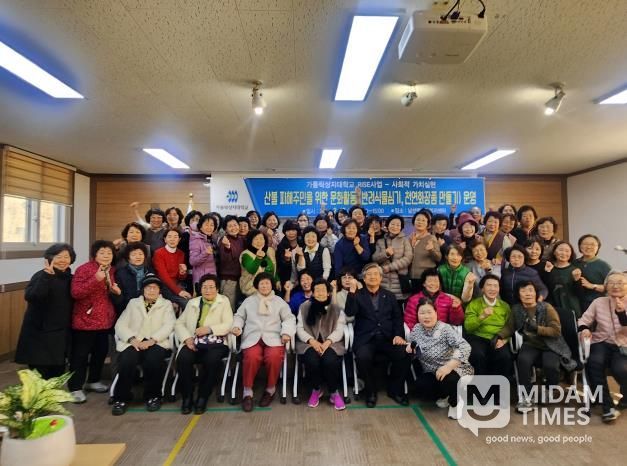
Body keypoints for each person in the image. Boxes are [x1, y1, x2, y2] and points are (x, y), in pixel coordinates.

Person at [498, 281, 576, 411]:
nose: (527, 293)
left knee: (551, 366)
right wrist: (499, 336)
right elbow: (509, 327)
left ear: (535, 293)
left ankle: (549, 389)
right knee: (522, 360)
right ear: (518, 294)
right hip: (531, 344)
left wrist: (537, 329)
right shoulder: (516, 309)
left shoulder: (546, 307)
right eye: (523, 291)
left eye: (530, 290)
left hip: (551, 344)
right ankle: (526, 397)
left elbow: (556, 331)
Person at [344, 263, 410, 407]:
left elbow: (397, 318)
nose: (372, 277)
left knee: (405, 352)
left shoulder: (390, 296)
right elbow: (349, 312)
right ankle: (370, 392)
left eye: (376, 274)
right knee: (362, 357)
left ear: (381, 278)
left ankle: (395, 390)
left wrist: (398, 335)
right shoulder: (358, 295)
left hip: (388, 338)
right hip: (366, 339)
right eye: (369, 274)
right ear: (364, 278)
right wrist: (352, 292)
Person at [111, 273, 175, 415]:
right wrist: (132, 339)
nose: (151, 290)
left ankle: (153, 396)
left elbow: (170, 324)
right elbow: (120, 324)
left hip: (156, 342)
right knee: (126, 360)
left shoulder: (166, 304)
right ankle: (121, 398)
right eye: (148, 287)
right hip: (135, 342)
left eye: (154, 287)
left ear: (159, 290)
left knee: (153, 360)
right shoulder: (133, 303)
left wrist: (152, 340)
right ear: (143, 289)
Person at [232, 272, 296, 412]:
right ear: (257, 286)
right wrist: (237, 326)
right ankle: (247, 392)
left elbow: (289, 318)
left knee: (273, 357)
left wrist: (286, 332)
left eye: (267, 283)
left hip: (274, 338)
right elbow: (239, 316)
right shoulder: (249, 301)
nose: (265, 286)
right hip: (252, 337)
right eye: (262, 283)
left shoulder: (279, 301)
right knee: (251, 356)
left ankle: (270, 389)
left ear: (272, 285)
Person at [68, 240, 121, 403]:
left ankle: (93, 380)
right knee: (80, 355)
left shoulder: (112, 270)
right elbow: (76, 293)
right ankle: (75, 387)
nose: (106, 256)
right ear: (94, 254)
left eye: (109, 253)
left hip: (105, 320)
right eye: (102, 253)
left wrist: (116, 292)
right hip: (85, 320)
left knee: (100, 352)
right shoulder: (84, 269)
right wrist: (95, 279)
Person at [15, 243, 76, 379]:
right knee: (39, 374)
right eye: (58, 257)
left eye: (66, 257)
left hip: (60, 333)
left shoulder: (71, 278)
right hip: (40, 332)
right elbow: (31, 296)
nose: (63, 260)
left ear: (71, 259)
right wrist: (46, 278)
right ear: (50, 258)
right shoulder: (41, 275)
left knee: (57, 371)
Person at [175, 274, 233, 415]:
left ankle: (203, 397)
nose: (208, 290)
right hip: (193, 341)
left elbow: (229, 324)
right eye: (204, 287)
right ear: (200, 289)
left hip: (216, 342)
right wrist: (187, 338)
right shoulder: (193, 303)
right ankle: (187, 397)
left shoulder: (224, 301)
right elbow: (179, 323)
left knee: (211, 361)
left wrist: (210, 329)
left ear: (217, 289)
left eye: (211, 287)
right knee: (183, 358)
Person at [406, 299, 473, 419]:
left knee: (450, 380)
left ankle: (456, 402)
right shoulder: (417, 329)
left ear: (436, 313)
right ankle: (446, 395)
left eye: (429, 312)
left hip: (454, 368)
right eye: (422, 313)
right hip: (432, 371)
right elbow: (411, 344)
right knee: (422, 386)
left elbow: (465, 346)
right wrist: (409, 347)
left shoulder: (445, 329)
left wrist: (448, 367)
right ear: (417, 315)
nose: (426, 316)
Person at [578, 271, 627, 422]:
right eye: (611, 283)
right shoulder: (599, 302)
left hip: (623, 345)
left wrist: (622, 314)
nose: (616, 286)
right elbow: (583, 320)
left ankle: (625, 399)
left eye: (620, 283)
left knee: (621, 369)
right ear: (606, 286)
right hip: (601, 342)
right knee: (594, 362)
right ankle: (607, 406)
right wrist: (584, 329)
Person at [296, 279, 347, 411]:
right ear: (313, 293)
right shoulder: (304, 307)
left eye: (323, 290)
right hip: (309, 343)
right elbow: (299, 328)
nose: (320, 293)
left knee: (329, 361)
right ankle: (316, 389)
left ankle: (334, 392)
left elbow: (339, 329)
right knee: (312, 361)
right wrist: (311, 341)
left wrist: (328, 342)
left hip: (331, 343)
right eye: (317, 290)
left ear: (328, 292)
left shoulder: (336, 309)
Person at [463, 275, 513, 378]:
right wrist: (482, 317)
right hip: (478, 337)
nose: (492, 289)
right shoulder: (474, 304)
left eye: (495, 286)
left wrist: (504, 340)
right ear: (482, 289)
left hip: (498, 338)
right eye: (489, 285)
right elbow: (468, 327)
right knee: (477, 355)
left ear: (499, 289)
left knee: (505, 356)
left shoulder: (504, 306)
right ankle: (481, 385)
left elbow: (510, 327)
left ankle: (499, 385)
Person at [543, 241, 582, 361]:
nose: (563, 253)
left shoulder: (575, 269)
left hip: (571, 306)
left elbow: (580, 294)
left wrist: (577, 280)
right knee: (556, 337)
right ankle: (560, 363)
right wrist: (547, 273)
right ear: (554, 252)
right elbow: (546, 289)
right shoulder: (548, 267)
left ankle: (574, 362)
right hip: (554, 307)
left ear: (571, 254)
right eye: (560, 250)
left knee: (571, 335)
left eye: (567, 251)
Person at [373, 214, 413, 302]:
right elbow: (375, 258)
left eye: (398, 225)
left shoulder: (405, 240)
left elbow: (408, 258)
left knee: (399, 307)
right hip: (383, 282)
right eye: (392, 224)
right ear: (387, 225)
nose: (395, 227)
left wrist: (390, 267)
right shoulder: (380, 241)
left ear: (401, 227)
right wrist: (386, 253)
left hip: (400, 282)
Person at [152, 227, 192, 309]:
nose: (172, 239)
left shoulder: (181, 253)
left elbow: (181, 278)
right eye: (169, 236)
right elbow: (163, 276)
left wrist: (182, 273)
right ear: (165, 239)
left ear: (179, 239)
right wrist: (179, 291)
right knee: (187, 304)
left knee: (191, 302)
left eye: (175, 237)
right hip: (163, 286)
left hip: (177, 284)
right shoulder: (159, 253)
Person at [572, 234, 612, 312]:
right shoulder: (574, 263)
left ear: (598, 248)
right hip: (576, 304)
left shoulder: (604, 265)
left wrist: (592, 286)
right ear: (580, 246)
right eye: (585, 244)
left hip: (597, 305)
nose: (589, 247)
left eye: (592, 244)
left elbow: (611, 287)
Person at [114, 242, 152, 316]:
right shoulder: (120, 273)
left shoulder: (150, 271)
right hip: (127, 311)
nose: (138, 257)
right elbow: (119, 299)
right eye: (134, 255)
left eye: (140, 254)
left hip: (147, 310)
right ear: (128, 258)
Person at [239, 229, 278, 297]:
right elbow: (252, 270)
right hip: (253, 290)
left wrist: (277, 280)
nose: (259, 241)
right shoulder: (246, 254)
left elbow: (273, 269)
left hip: (270, 288)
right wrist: (258, 258)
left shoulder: (268, 251)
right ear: (250, 241)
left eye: (261, 238)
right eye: (256, 239)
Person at [218, 215, 245, 311]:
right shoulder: (224, 240)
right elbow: (224, 258)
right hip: (228, 280)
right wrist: (227, 247)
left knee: (238, 308)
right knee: (228, 309)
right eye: (230, 226)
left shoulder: (241, 239)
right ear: (225, 229)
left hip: (240, 279)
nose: (233, 228)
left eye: (235, 225)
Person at [409, 210, 441, 287]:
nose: (420, 222)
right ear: (414, 222)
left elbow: (438, 258)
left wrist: (431, 250)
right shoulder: (410, 237)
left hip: (426, 277)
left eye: (423, 220)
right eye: (418, 220)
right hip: (412, 276)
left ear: (428, 224)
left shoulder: (431, 238)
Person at [189, 214, 219, 289]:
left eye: (212, 225)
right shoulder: (196, 240)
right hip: (201, 281)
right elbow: (193, 261)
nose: (209, 227)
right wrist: (205, 253)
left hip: (212, 278)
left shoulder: (212, 240)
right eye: (206, 225)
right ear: (200, 227)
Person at [276, 220, 302, 286]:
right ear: (284, 232)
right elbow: (280, 269)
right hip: (287, 283)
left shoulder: (302, 244)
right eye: (288, 230)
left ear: (297, 231)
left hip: (302, 281)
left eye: (293, 230)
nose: (291, 233)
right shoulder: (281, 247)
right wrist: (286, 260)